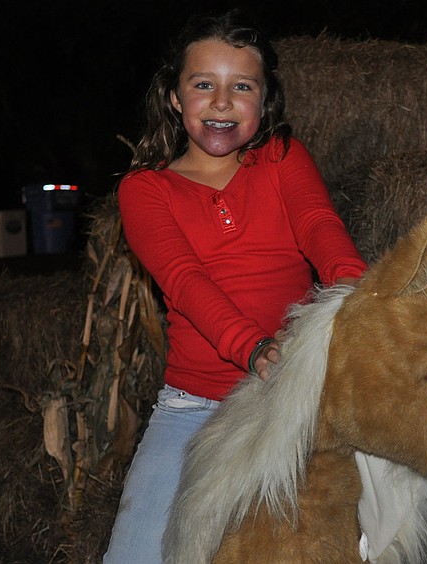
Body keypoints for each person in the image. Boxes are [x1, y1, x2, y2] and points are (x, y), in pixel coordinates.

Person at [103, 10, 367, 563]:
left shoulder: (280, 157)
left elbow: (321, 227)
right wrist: (250, 347)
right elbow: (184, 280)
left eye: (241, 86)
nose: (221, 101)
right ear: (175, 98)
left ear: (264, 100)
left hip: (294, 397)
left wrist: (360, 296)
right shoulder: (146, 189)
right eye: (204, 84)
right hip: (194, 406)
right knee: (134, 555)